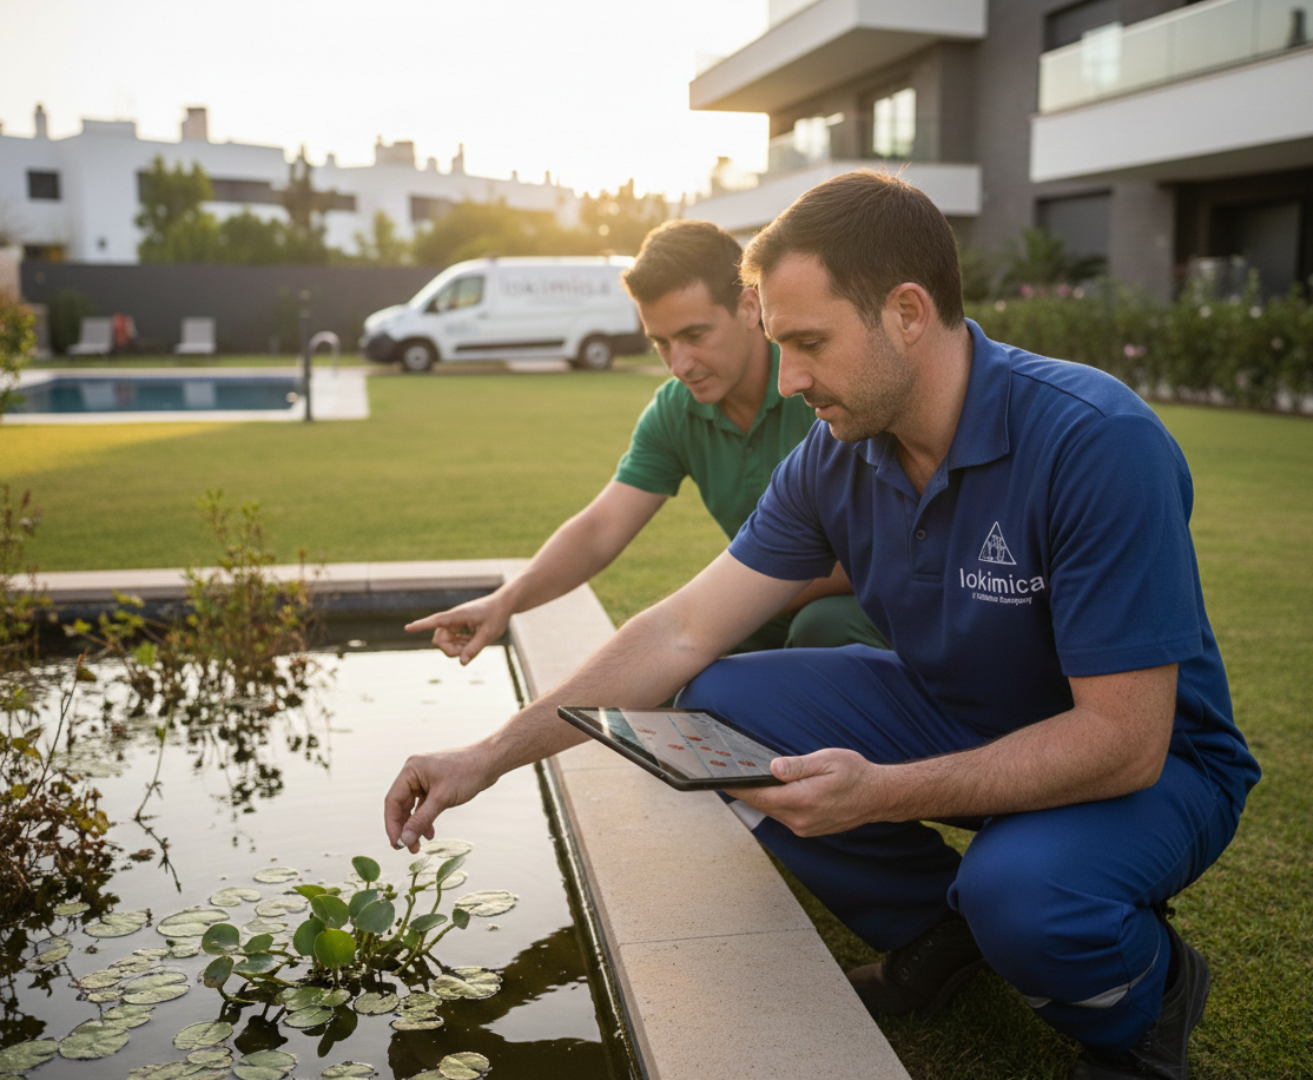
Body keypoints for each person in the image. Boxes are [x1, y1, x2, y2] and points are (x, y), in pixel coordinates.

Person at [385, 173, 1258, 1080]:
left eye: (809, 343)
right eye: (778, 345)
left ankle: (1149, 1001)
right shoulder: (834, 452)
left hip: (1152, 767)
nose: (790, 378)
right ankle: (937, 931)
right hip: (958, 709)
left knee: (1023, 897)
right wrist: (484, 756)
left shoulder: (1094, 439)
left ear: (909, 313)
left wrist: (882, 792)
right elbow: (683, 630)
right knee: (713, 709)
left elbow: (1125, 742)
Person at [405, 219, 884, 661]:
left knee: (819, 628)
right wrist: (505, 601)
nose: (680, 364)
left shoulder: (816, 385)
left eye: (695, 335)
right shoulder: (676, 409)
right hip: (769, 603)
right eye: (661, 343)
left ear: (748, 305)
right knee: (663, 677)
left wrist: (716, 599)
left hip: (871, 608)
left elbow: (874, 555)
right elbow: (601, 527)